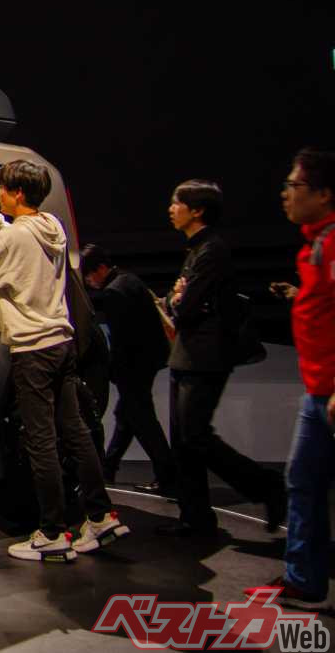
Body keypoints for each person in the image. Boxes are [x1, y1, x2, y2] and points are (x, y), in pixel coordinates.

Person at [0, 160, 127, 562]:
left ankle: (52, 533)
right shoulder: (52, 227)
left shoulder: (16, 238)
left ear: (19, 193)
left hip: (32, 352)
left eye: (2, 189)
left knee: (41, 442)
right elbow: (18, 244)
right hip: (61, 344)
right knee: (76, 433)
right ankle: (101, 516)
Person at [156, 180, 286, 538]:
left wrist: (177, 301)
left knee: (195, 436)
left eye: (176, 202)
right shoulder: (197, 249)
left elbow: (185, 305)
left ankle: (266, 485)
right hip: (188, 355)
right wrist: (177, 301)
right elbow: (181, 301)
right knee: (185, 441)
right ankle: (195, 517)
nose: (171, 209)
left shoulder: (212, 250)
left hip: (205, 357)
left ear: (197, 210)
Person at [245, 147, 335, 608]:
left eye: (294, 185)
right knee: (302, 481)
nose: (285, 194)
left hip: (331, 393)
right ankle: (304, 582)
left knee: (306, 482)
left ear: (324, 193)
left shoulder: (332, 243)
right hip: (317, 393)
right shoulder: (315, 244)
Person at [80, 244, 174, 495]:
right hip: (150, 361)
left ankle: (169, 477)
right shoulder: (130, 280)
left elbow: (123, 340)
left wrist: (113, 370)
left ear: (101, 268)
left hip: (133, 367)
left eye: (89, 275)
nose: (88, 282)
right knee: (127, 416)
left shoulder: (114, 292)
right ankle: (108, 467)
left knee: (143, 422)